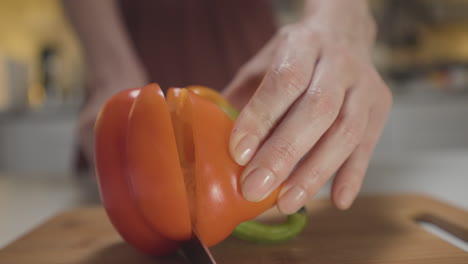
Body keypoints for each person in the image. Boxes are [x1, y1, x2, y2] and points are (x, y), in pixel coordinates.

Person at [63, 0, 392, 214]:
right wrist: (108, 69)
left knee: (268, 166)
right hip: (122, 69)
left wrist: (337, 19)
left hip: (254, 70)